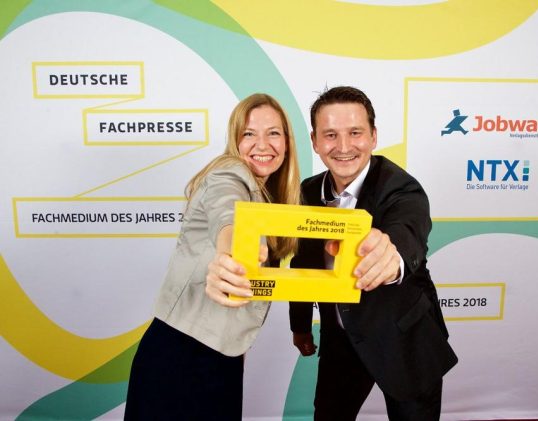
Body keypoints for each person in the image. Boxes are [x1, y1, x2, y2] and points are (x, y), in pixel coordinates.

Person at [124, 93, 301, 420]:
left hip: (221, 357)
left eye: (273, 133)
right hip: (180, 356)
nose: (262, 144)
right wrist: (230, 251)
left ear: (287, 143)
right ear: (235, 140)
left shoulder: (269, 196)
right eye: (249, 133)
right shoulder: (228, 173)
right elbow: (228, 213)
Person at [289, 86, 458, 420]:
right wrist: (301, 325)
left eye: (355, 133)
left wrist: (389, 255)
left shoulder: (402, 187)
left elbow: (407, 232)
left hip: (404, 341)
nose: (343, 147)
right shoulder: (306, 192)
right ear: (315, 141)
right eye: (330, 135)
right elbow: (303, 262)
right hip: (341, 341)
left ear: (374, 136)